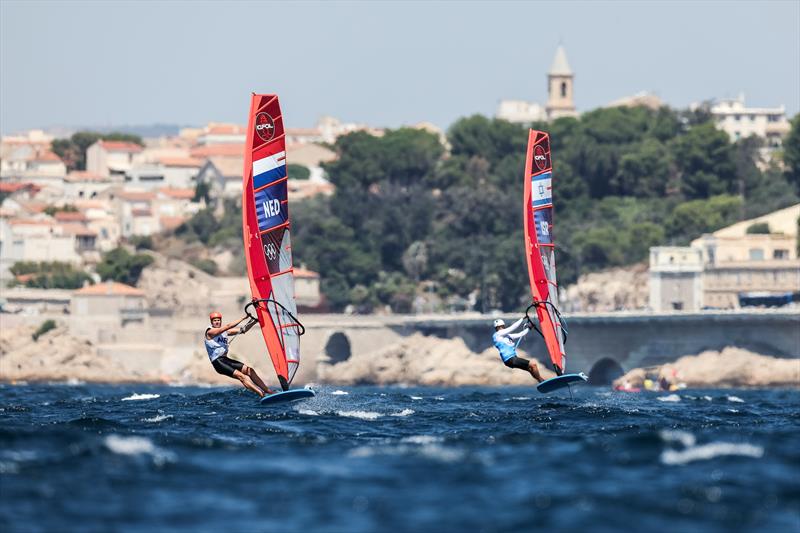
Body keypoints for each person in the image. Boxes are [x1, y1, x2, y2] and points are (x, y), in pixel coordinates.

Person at [205, 311, 275, 397]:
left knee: (250, 370)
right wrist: (243, 318)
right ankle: (261, 394)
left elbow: (243, 330)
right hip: (218, 362)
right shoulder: (209, 332)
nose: (217, 322)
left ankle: (268, 391)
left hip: (226, 360)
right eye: (215, 320)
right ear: (211, 322)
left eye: (218, 320)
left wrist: (254, 321)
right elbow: (227, 326)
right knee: (241, 376)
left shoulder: (225, 333)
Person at [492, 318, 544, 383]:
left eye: (502, 327)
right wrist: (522, 319)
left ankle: (541, 380)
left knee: (530, 369)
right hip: (510, 359)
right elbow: (512, 328)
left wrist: (529, 328)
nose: (501, 328)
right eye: (499, 327)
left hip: (512, 359)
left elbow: (520, 334)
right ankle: (541, 381)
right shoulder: (497, 335)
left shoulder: (507, 336)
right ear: (498, 327)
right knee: (533, 365)